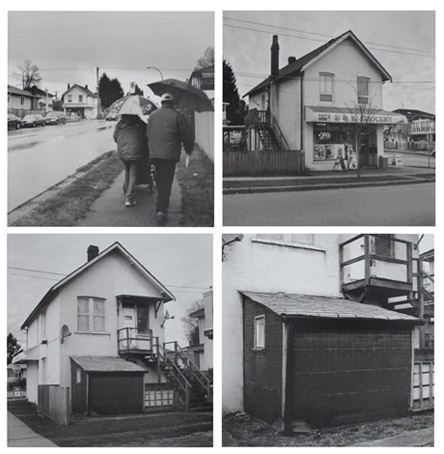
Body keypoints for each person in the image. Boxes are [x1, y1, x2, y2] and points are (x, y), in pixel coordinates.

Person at [147, 93, 194, 225]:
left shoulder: (152, 116)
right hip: (169, 155)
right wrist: (188, 149)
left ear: (161, 103)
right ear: (172, 103)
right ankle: (161, 211)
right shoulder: (177, 116)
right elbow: (187, 134)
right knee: (166, 183)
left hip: (155, 155)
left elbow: (148, 134)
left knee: (161, 180)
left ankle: (160, 202)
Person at [113, 113, 148, 207]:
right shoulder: (140, 123)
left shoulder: (120, 124)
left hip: (122, 150)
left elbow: (115, 137)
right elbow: (146, 137)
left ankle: (127, 189)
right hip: (135, 150)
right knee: (133, 174)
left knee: (127, 170)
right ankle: (129, 197)